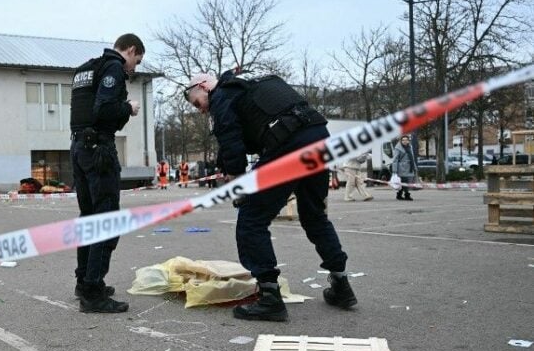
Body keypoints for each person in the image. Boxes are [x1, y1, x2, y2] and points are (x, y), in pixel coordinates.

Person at [183, 71, 357, 322]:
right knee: (315, 216)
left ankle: (269, 298)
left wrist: (236, 182)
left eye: (197, 103)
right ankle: (341, 285)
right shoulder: (251, 82)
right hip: (317, 135)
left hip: (288, 141)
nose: (200, 110)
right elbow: (254, 130)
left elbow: (231, 140)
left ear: (203, 86)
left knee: (251, 219)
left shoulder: (221, 94)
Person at [70, 33, 144, 313]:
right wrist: (129, 108)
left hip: (78, 148)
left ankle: (84, 282)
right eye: (136, 62)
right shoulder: (112, 66)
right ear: (131, 50)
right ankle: (93, 292)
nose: (133, 69)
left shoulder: (85, 69)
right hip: (99, 150)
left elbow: (85, 110)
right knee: (105, 219)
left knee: (88, 218)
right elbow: (104, 110)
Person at [392, 135, 417, 201]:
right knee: (405, 181)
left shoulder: (409, 147)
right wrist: (394, 170)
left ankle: (399, 194)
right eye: (403, 140)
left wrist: (414, 167)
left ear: (408, 141)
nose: (405, 141)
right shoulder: (398, 148)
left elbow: (412, 158)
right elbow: (395, 159)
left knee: (405, 182)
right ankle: (407, 195)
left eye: (406, 140)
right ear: (401, 141)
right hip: (402, 168)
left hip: (409, 167)